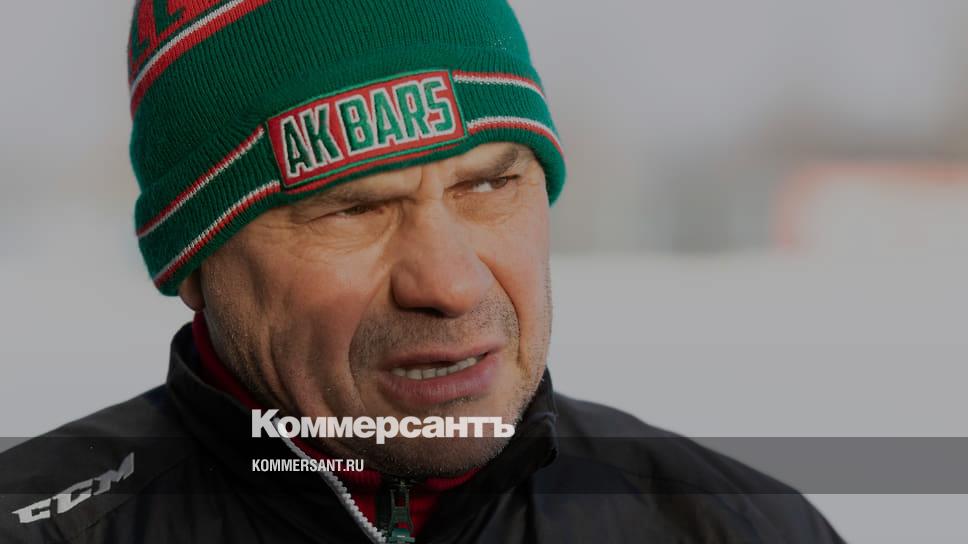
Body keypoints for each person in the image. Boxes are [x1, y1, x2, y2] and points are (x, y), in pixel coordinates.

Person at [0, 1, 844, 542]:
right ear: (195, 257)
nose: (451, 284)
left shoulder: (729, 528)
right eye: (354, 208)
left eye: (490, 185)